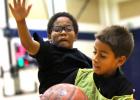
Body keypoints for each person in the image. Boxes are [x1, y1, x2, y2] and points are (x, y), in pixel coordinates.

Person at [9, 0, 92, 94]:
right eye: (57, 29)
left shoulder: (86, 60)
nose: (63, 32)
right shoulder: (47, 50)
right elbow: (28, 44)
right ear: (49, 36)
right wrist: (20, 22)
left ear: (76, 36)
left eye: (68, 29)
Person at [41, 25, 135, 100]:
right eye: (95, 52)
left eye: (102, 56)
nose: (95, 58)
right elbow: (57, 93)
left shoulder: (124, 90)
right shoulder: (79, 76)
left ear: (120, 60)